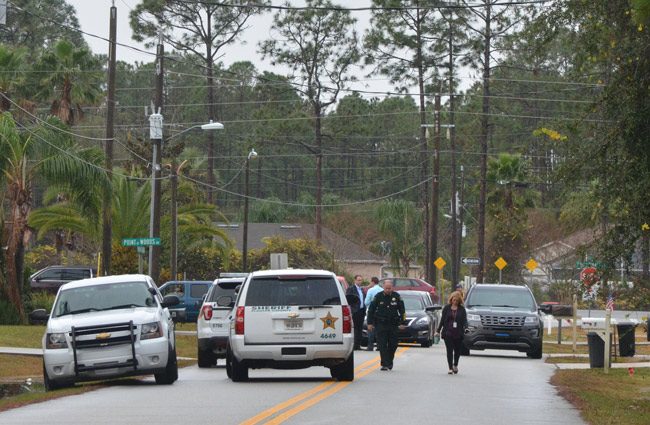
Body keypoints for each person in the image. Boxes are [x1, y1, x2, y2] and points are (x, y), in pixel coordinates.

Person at [367, 280, 405, 371]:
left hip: (393, 324)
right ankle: (384, 364)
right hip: (381, 324)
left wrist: (402, 323)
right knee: (382, 344)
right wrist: (369, 323)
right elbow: (371, 310)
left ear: (392, 288)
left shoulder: (397, 297)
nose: (388, 290)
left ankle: (389, 361)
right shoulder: (378, 297)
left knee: (393, 344)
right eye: (386, 288)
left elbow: (402, 310)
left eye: (390, 288)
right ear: (383, 288)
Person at [435, 291, 468, 375]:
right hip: (448, 333)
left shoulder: (462, 309)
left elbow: (465, 321)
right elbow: (442, 320)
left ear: (459, 301)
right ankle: (450, 368)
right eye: (454, 300)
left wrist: (466, 327)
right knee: (449, 350)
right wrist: (438, 330)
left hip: (458, 333)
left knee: (457, 351)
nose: (455, 302)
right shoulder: (446, 308)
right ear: (451, 299)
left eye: (457, 301)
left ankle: (455, 365)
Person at [346, 274, 367, 350]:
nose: (359, 281)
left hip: (361, 311)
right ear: (355, 280)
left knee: (360, 328)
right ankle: (354, 346)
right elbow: (348, 299)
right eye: (358, 280)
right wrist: (352, 309)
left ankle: (358, 345)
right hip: (355, 311)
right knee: (355, 329)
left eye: (361, 280)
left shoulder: (361, 289)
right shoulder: (351, 289)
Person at [364, 277, 382, 351]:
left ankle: (370, 346)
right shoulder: (382, 290)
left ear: (372, 282)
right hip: (380, 312)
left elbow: (366, 302)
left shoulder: (370, 290)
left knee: (370, 328)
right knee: (379, 329)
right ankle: (379, 346)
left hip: (372, 312)